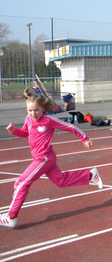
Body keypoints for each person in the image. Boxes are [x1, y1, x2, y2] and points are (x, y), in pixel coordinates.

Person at [0, 88, 103, 228]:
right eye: (30, 111)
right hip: (43, 159)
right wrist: (14, 131)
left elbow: (70, 126)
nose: (33, 113)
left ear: (42, 108)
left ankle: (11, 216)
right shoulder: (28, 119)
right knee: (60, 181)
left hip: (44, 159)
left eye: (36, 110)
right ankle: (90, 175)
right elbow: (25, 133)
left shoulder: (48, 120)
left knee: (21, 183)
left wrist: (84, 139)